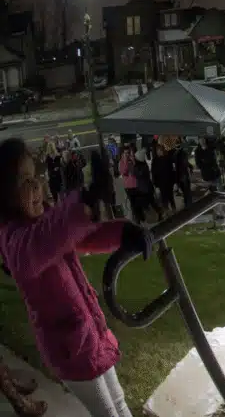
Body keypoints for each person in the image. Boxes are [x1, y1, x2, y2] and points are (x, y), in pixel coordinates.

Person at [0, 137, 152, 417]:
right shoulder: (14, 239)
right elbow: (45, 240)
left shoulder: (43, 220)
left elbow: (82, 235)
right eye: (23, 181)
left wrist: (122, 233)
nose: (35, 186)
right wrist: (84, 203)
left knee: (119, 404)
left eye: (34, 176)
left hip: (90, 336)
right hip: (70, 348)